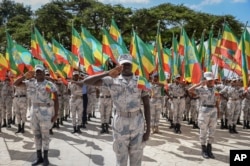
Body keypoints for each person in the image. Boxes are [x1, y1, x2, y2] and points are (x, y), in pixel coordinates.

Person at [75, 54, 150, 166]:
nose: (126, 66)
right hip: (119, 123)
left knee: (136, 159)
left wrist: (148, 129)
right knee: (120, 159)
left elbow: (147, 104)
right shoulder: (111, 80)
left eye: (128, 63)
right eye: (123, 64)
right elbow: (87, 81)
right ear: (119, 66)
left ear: (132, 65)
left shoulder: (141, 80)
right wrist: (107, 73)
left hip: (137, 124)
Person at [14, 64, 59, 166]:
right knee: (36, 135)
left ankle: (46, 158)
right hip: (34, 111)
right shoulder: (30, 83)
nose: (38, 73)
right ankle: (39, 157)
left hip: (46, 111)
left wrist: (56, 114)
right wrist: (25, 76)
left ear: (43, 72)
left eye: (40, 71)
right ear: (35, 73)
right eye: (37, 71)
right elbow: (16, 84)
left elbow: (56, 100)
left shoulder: (50, 84)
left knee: (45, 135)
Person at [188, 72, 219, 159]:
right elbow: (190, 90)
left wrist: (218, 111)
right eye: (209, 80)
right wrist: (200, 83)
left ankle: (209, 149)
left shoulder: (215, 88)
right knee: (203, 130)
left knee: (212, 130)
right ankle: (203, 149)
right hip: (204, 111)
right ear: (205, 80)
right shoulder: (201, 89)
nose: (211, 82)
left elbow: (217, 100)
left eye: (212, 80)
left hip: (213, 110)